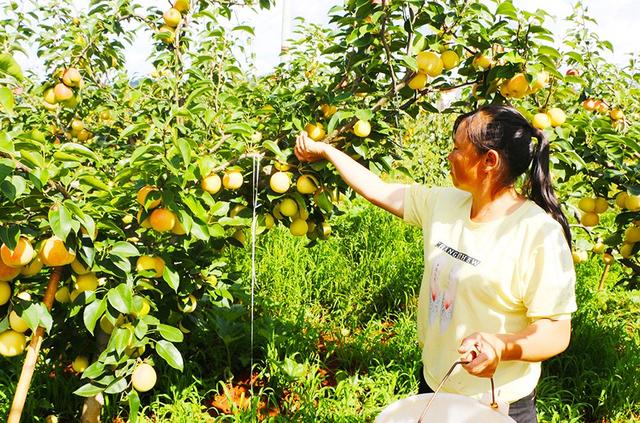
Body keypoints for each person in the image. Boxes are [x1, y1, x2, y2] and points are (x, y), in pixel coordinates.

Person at [294, 104, 577, 423]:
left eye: (457, 148)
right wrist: (327, 151)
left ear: (489, 161)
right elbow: (379, 190)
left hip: (496, 402)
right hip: (436, 385)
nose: (449, 156)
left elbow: (555, 332)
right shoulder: (445, 204)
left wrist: (500, 345)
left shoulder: (537, 233)